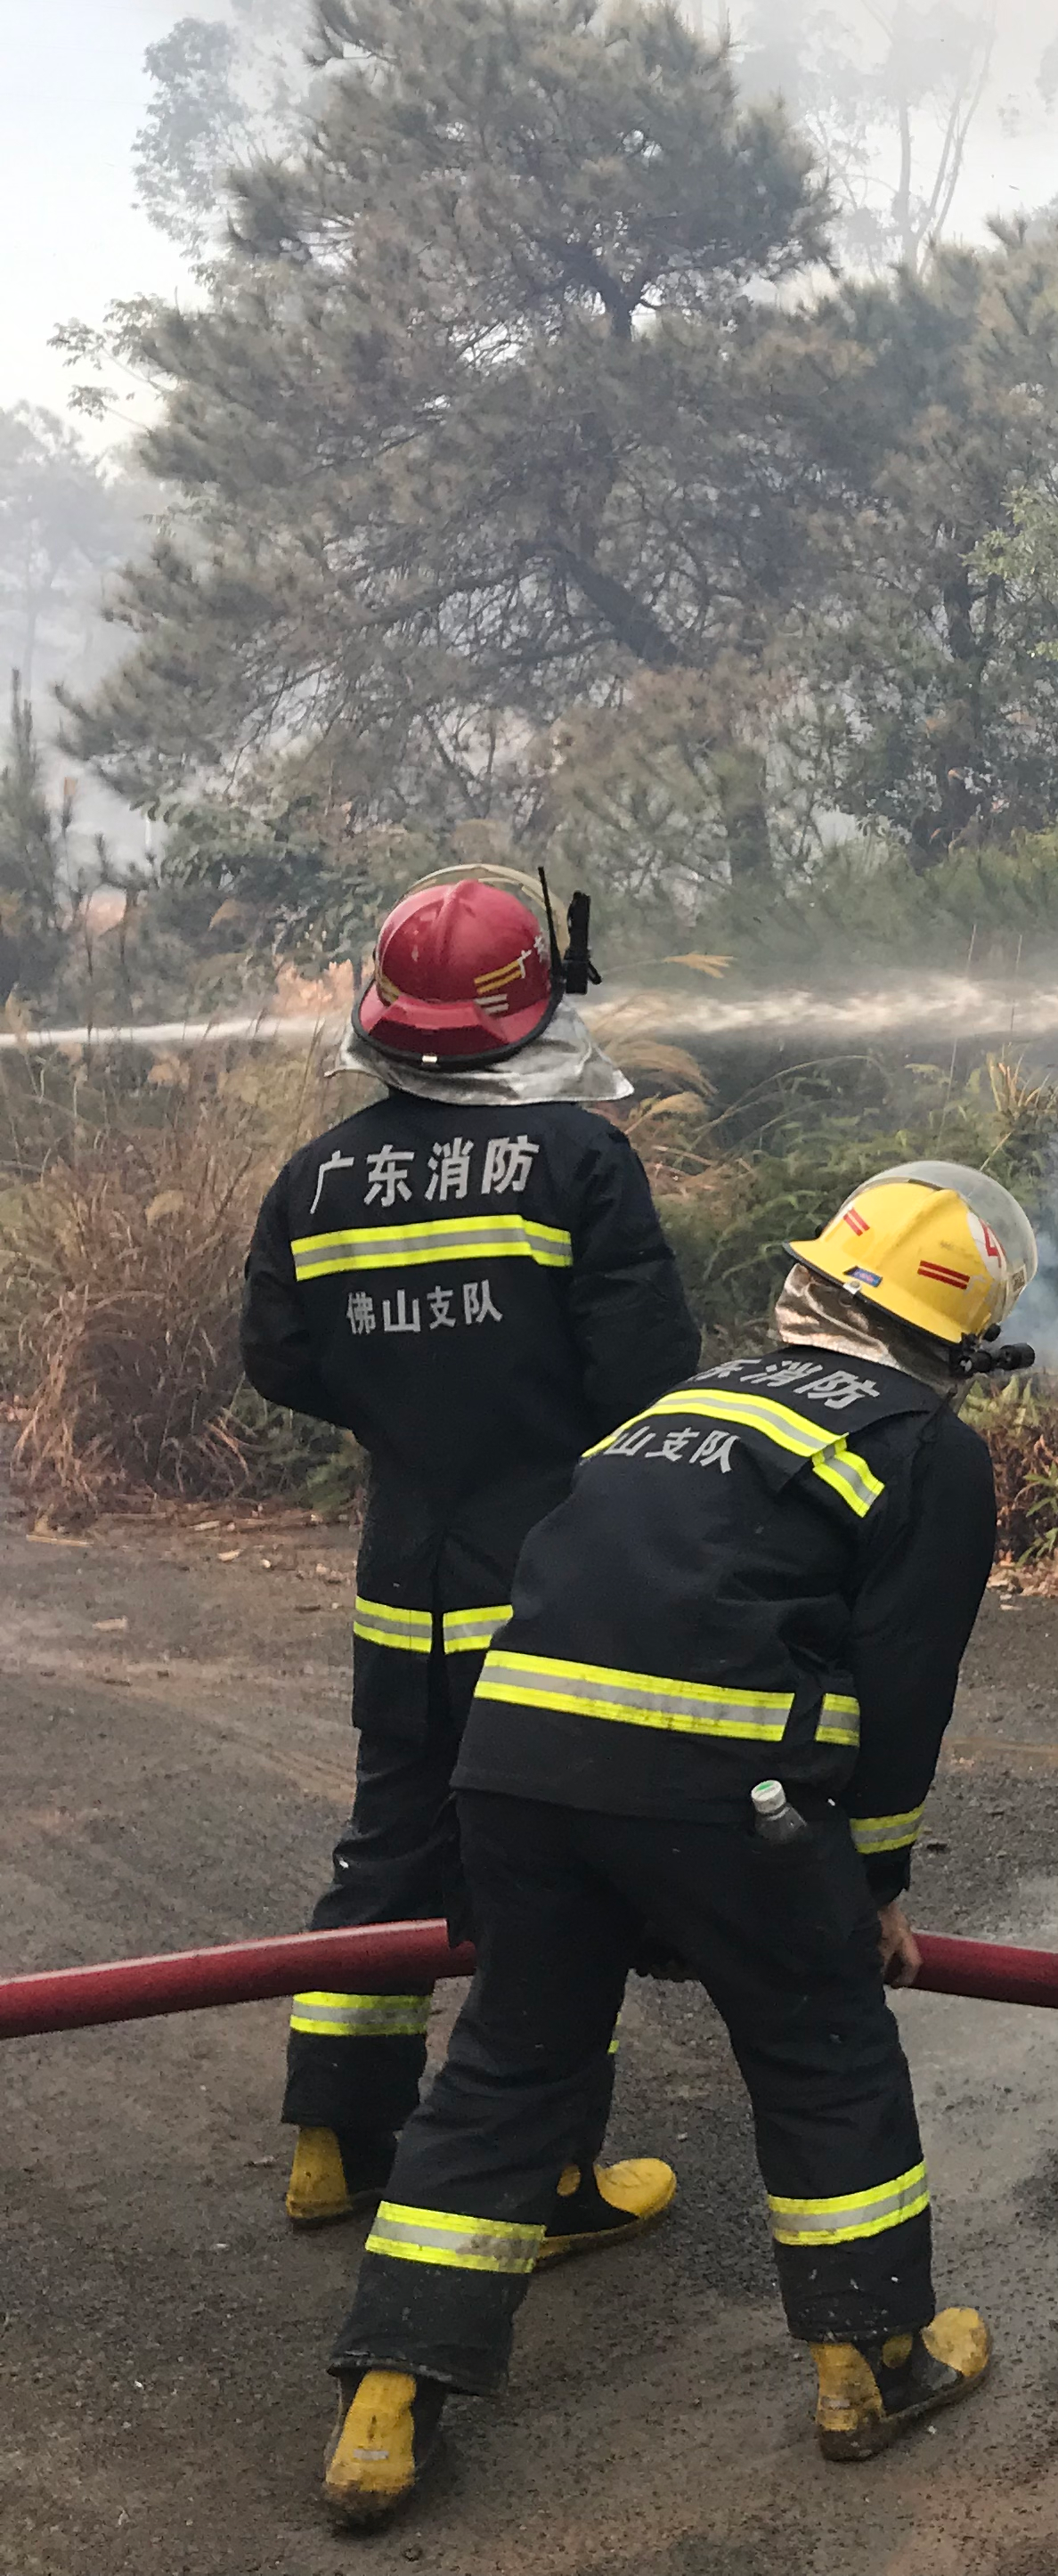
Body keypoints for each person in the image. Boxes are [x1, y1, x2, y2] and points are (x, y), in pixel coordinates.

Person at [314, 1160, 1031, 2530]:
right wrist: (870, 1883)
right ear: (961, 1340)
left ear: (811, 1286)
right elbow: (903, 1687)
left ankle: (386, 2403)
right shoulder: (923, 1442)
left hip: (514, 1766)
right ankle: (875, 2366)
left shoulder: (681, 1408)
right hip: (727, 1797)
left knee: (510, 2062)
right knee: (823, 2049)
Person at [242, 867, 698, 2243]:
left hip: (407, 1577)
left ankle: (333, 2136)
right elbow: (650, 1374)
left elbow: (278, 1359)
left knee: (388, 1842)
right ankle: (552, 2173)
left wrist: (410, 1418)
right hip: (550, 1584)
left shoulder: (318, 1178)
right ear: (528, 1009)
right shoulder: (576, 1160)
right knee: (545, 1876)